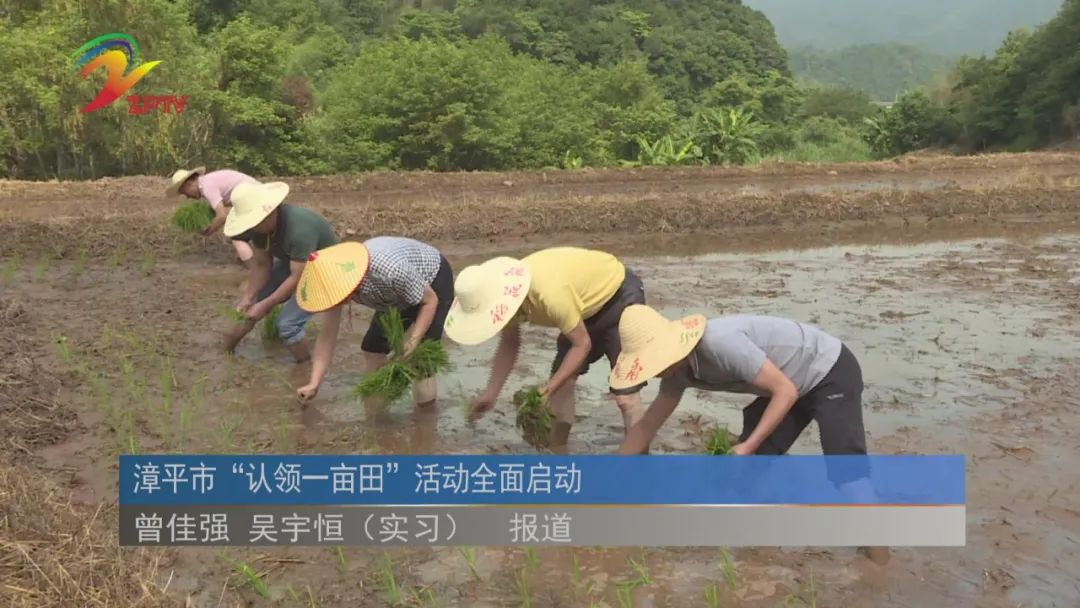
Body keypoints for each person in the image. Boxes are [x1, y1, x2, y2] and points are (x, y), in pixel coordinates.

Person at [609, 304, 890, 565]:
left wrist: (747, 446)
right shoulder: (676, 373)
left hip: (828, 371)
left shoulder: (719, 344)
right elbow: (647, 427)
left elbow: (786, 391)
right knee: (752, 468)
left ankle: (880, 563)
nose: (654, 372)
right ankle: (760, 548)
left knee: (846, 472)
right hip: (788, 381)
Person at [444, 247, 648, 452]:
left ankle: (639, 462)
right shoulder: (504, 300)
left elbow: (582, 345)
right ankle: (558, 451)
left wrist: (547, 390)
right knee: (563, 384)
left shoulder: (549, 294)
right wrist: (490, 394)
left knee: (626, 397)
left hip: (618, 296)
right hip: (582, 310)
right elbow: (509, 343)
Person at [293, 237, 455, 406]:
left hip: (432, 279)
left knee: (422, 358)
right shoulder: (334, 284)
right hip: (393, 295)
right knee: (372, 348)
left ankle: (424, 422)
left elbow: (430, 301)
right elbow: (327, 336)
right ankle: (376, 411)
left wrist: (413, 341)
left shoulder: (389, 271)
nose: (338, 301)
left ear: (348, 283)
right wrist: (314, 383)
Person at [221, 181, 338, 363]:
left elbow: (297, 277)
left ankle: (305, 371)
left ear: (269, 211)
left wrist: (266, 304)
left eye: (253, 222)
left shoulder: (299, 229)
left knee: (287, 324)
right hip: (293, 263)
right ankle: (225, 353)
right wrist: (249, 297)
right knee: (250, 307)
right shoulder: (259, 228)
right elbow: (262, 266)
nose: (251, 228)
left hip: (326, 268)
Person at [167, 166, 258, 265]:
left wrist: (208, 231)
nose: (188, 197)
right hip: (254, 196)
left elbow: (222, 216)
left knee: (237, 236)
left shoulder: (207, 187)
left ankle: (252, 267)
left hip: (253, 199)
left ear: (189, 184)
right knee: (253, 232)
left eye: (185, 193)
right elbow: (221, 206)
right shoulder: (208, 181)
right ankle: (246, 260)